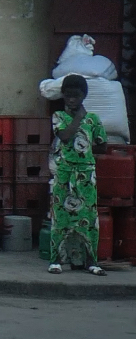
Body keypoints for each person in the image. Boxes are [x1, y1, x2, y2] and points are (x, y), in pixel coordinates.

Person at [48, 75, 107, 275]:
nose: (72, 100)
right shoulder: (58, 116)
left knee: (88, 218)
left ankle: (90, 261)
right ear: (63, 96)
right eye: (68, 96)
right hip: (65, 173)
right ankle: (56, 260)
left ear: (83, 96)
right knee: (61, 218)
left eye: (76, 96)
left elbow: (103, 145)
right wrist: (78, 118)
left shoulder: (94, 119)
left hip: (86, 175)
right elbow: (64, 137)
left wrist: (87, 155)